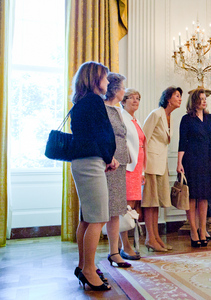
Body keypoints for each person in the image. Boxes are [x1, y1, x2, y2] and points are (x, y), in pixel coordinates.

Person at [70, 61, 118, 291]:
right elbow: (104, 134)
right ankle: (89, 269)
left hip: (82, 161)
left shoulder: (80, 102)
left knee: (88, 218)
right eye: (105, 78)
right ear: (94, 79)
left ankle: (83, 266)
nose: (108, 82)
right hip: (91, 162)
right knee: (98, 217)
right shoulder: (94, 102)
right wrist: (110, 158)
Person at [142, 86, 183, 252]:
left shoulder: (169, 116)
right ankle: (149, 237)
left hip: (161, 163)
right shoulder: (156, 113)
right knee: (150, 202)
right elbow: (143, 139)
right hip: (151, 163)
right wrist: (143, 168)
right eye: (177, 96)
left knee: (156, 202)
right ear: (168, 98)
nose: (180, 99)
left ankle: (156, 237)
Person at [177, 88, 211, 248]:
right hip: (191, 160)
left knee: (204, 196)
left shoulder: (210, 118)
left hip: (207, 159)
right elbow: (182, 142)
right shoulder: (186, 119)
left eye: (205, 98)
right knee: (192, 196)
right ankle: (193, 231)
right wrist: (179, 162)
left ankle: (203, 230)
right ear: (194, 101)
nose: (204, 101)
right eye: (201, 98)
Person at [103, 73, 132, 268]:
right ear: (114, 89)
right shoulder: (102, 109)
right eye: (122, 87)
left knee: (115, 211)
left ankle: (115, 251)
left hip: (120, 164)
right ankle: (112, 251)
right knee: (107, 210)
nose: (124, 91)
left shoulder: (116, 109)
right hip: (109, 165)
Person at [120, 88, 146, 260]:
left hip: (137, 169)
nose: (136, 101)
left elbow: (141, 147)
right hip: (128, 168)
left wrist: (142, 170)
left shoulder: (135, 120)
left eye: (138, 98)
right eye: (132, 98)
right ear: (123, 101)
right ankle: (124, 246)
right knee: (125, 208)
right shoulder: (121, 117)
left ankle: (130, 243)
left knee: (133, 207)